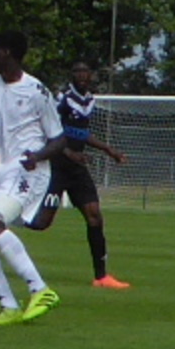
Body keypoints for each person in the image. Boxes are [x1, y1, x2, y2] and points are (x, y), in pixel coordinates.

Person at [0, 30, 67, 326]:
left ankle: (40, 290)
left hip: (30, 171)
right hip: (3, 170)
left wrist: (38, 156)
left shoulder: (36, 91)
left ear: (7, 52)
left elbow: (59, 139)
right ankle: (9, 306)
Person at [23, 61, 131, 289]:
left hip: (77, 169)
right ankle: (1, 217)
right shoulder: (61, 99)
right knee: (42, 223)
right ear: (72, 75)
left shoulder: (89, 101)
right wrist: (69, 153)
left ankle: (101, 277)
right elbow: (49, 132)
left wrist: (108, 150)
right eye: (78, 72)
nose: (82, 75)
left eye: (86, 71)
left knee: (95, 216)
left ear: (91, 75)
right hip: (56, 168)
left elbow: (81, 133)